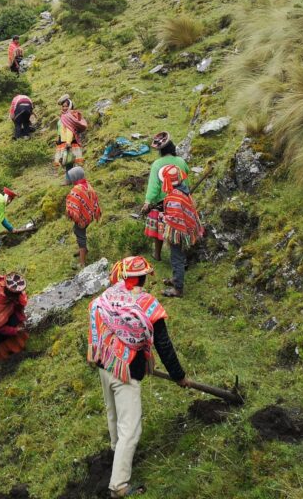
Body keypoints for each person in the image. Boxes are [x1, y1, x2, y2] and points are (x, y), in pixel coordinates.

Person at [88, 256, 189, 497]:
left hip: (104, 364)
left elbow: (97, 328)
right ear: (143, 278)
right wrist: (179, 376)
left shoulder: (107, 298)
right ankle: (119, 485)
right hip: (127, 371)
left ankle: (116, 451)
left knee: (112, 412)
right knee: (131, 428)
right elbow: (163, 344)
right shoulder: (147, 304)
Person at [147, 163, 203, 298]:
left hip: (178, 232)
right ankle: (176, 278)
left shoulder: (174, 197)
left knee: (176, 258)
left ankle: (178, 289)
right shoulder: (183, 190)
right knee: (177, 256)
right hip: (186, 228)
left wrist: (163, 217)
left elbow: (174, 218)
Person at [141, 132, 191, 262]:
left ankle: (157, 255)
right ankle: (181, 256)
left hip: (163, 203)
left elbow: (154, 186)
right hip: (180, 200)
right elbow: (185, 177)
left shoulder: (157, 164)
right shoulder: (181, 161)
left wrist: (148, 202)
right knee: (179, 229)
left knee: (159, 230)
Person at [65, 166, 101, 269]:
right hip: (89, 216)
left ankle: (82, 262)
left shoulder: (77, 189)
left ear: (75, 177)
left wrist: (71, 213)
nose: (70, 179)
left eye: (71, 177)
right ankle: (83, 250)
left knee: (81, 237)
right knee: (78, 232)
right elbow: (93, 199)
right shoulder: (87, 185)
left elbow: (73, 204)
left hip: (81, 219)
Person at [55, 96, 87, 172]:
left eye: (66, 106)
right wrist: (58, 138)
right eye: (63, 106)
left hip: (70, 142)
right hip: (63, 141)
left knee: (70, 162)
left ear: (70, 106)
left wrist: (68, 143)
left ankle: (72, 179)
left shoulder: (70, 116)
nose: (64, 108)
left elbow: (70, 129)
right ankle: (70, 179)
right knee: (66, 162)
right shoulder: (63, 116)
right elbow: (60, 129)